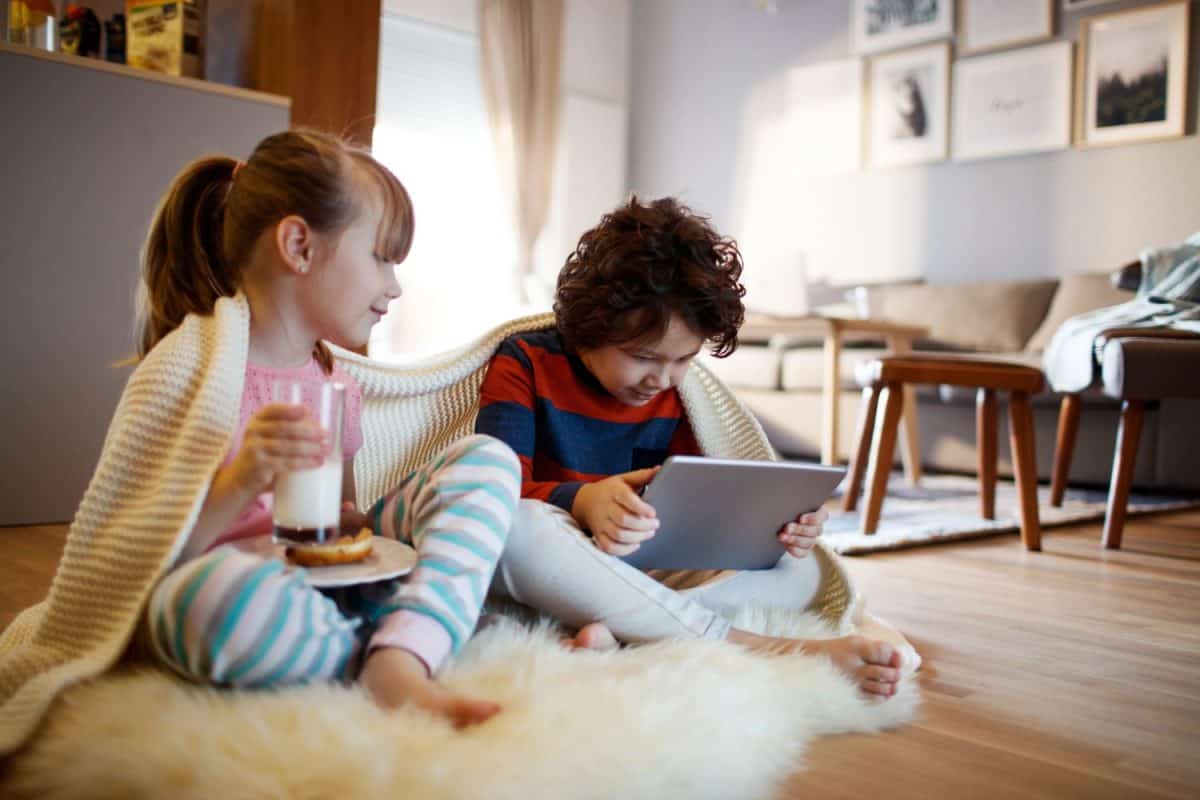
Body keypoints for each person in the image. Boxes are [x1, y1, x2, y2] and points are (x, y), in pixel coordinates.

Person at [26, 130, 521, 731]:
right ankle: (385, 647)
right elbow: (136, 560)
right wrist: (241, 480)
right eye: (381, 258)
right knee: (203, 605)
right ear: (298, 246)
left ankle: (398, 652)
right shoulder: (186, 368)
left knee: (488, 460)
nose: (393, 285)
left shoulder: (335, 382)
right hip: (237, 589)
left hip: (330, 587)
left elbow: (342, 518)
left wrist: (363, 526)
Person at [477, 196, 904, 698]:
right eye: (642, 357)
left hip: (643, 571)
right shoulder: (524, 362)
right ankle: (761, 645)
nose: (661, 379)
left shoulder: (679, 393)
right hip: (559, 559)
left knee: (800, 570)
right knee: (516, 531)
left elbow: (693, 506)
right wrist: (585, 501)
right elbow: (493, 493)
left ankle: (626, 631)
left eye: (683, 360)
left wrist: (777, 530)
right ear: (588, 325)